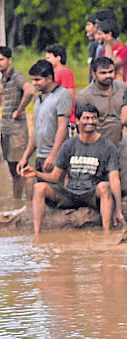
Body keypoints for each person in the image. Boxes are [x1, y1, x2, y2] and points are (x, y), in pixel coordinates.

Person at [25, 102, 124, 235]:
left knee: (105, 186)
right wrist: (35, 173)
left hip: (92, 193)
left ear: (98, 121)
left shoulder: (107, 147)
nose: (90, 122)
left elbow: (114, 180)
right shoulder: (69, 145)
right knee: (39, 188)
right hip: (70, 192)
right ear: (77, 121)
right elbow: (55, 176)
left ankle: (106, 234)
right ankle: (37, 235)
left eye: (94, 118)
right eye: (86, 118)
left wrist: (118, 210)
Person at [76, 55, 127, 195]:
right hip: (97, 147)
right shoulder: (85, 96)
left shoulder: (122, 88)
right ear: (94, 74)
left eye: (110, 72)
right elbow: (81, 129)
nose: (108, 76)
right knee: (99, 187)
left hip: (120, 143)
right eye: (103, 73)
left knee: (123, 186)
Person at [19, 60, 72, 179]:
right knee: (39, 193)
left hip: (56, 157)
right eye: (32, 80)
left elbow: (62, 128)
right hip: (40, 155)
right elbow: (36, 132)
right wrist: (25, 157)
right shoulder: (38, 99)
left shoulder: (63, 95)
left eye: (37, 80)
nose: (34, 83)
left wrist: (53, 156)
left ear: (49, 78)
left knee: (57, 193)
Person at [0, 45, 30, 199]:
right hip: (6, 129)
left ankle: (29, 205)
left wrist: (20, 110)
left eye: (1, 59)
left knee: (24, 169)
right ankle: (16, 203)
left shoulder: (17, 76)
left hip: (17, 131)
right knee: (13, 170)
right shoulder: (3, 78)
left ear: (10, 60)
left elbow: (30, 90)